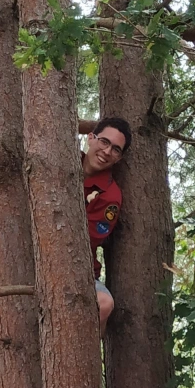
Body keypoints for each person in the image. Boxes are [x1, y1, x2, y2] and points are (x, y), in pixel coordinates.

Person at [82, 116, 131, 335]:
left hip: (79, 271)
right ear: (91, 138)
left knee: (104, 304)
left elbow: (87, 239)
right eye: (104, 141)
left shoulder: (110, 195)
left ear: (119, 158)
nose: (107, 151)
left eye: (116, 149)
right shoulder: (61, 161)